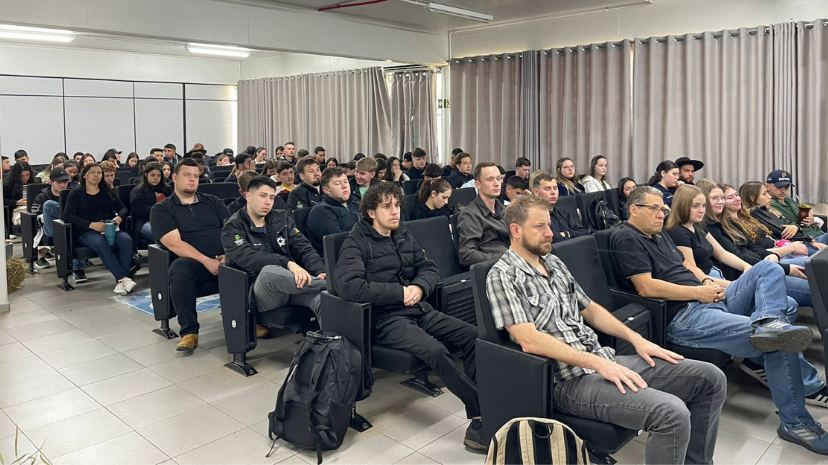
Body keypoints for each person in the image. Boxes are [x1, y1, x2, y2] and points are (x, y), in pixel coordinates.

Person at [488, 194, 727, 465]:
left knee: (711, 378)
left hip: (602, 359)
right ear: (516, 230)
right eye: (539, 227)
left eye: (549, 225)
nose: (549, 233)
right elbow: (529, 340)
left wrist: (637, 339)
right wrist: (599, 365)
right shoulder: (502, 275)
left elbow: (590, 309)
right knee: (672, 414)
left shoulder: (552, 262)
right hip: (568, 380)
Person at [610, 186, 828, 455]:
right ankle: (795, 423)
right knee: (781, 341)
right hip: (686, 315)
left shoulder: (658, 234)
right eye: (654, 209)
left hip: (707, 297)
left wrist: (705, 282)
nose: (661, 214)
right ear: (634, 210)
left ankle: (768, 322)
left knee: (767, 268)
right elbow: (646, 287)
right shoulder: (626, 237)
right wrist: (697, 292)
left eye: (663, 209)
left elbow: (684, 268)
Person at [335, 182, 485, 451]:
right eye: (387, 207)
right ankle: (482, 412)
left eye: (397, 205)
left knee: (473, 336)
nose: (395, 211)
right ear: (371, 212)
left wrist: (419, 287)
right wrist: (400, 293)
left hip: (419, 308)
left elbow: (429, 267)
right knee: (436, 351)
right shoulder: (355, 242)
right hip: (387, 318)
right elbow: (350, 287)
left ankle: (477, 405)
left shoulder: (402, 234)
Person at [222, 176, 326, 337]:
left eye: (272, 197)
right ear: (248, 196)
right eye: (262, 196)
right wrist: (287, 263)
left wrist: (319, 270)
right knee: (269, 272)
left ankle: (331, 346)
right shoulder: (232, 228)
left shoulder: (282, 218)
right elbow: (249, 258)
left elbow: (303, 247)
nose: (268, 202)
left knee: (324, 300)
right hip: (261, 293)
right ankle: (333, 284)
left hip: (294, 284)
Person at [150, 159, 231, 352]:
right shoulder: (162, 209)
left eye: (196, 176)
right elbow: (175, 244)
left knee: (251, 258)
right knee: (180, 269)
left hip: (225, 258)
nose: (193, 180)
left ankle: (252, 320)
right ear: (174, 177)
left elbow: (232, 229)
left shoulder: (212, 201)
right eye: (187, 175)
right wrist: (206, 261)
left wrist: (229, 254)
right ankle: (189, 332)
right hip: (195, 263)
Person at [697, 180, 814, 311]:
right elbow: (736, 256)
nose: (721, 202)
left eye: (722, 198)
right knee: (812, 292)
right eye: (715, 198)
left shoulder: (728, 222)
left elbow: (752, 247)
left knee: (813, 267)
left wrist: (772, 256)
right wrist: (784, 266)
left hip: (761, 263)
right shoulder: (708, 226)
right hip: (743, 276)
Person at [63, 163, 136, 295]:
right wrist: (90, 224)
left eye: (99, 173)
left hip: (109, 227)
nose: (96, 175)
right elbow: (67, 216)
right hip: (87, 230)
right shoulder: (76, 194)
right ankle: (123, 278)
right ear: (84, 175)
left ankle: (122, 281)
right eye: (93, 172)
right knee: (100, 243)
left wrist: (119, 218)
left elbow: (123, 208)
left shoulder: (107, 191)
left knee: (126, 240)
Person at [740, 181, 827, 254]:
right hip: (793, 245)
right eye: (764, 194)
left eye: (786, 187)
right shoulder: (756, 212)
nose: (769, 196)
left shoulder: (770, 209)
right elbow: (783, 230)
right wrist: (811, 241)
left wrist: (795, 226)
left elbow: (789, 222)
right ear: (753, 198)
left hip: (802, 239)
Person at [457, 162, 509, 267]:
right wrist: (503, 258)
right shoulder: (470, 215)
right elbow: (467, 255)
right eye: (490, 179)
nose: (496, 183)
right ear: (478, 184)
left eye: (498, 178)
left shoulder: (504, 209)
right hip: (494, 266)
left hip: (512, 261)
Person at [305, 167, 361, 255]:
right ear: (326, 190)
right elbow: (339, 241)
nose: (344, 186)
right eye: (337, 183)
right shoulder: (321, 211)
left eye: (346, 182)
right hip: (341, 257)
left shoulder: (355, 203)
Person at [765, 170, 828, 242]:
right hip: (806, 238)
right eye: (779, 187)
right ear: (767, 186)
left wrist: (811, 218)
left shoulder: (787, 199)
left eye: (786, 187)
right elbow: (783, 225)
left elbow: (800, 213)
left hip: (817, 232)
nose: (783, 191)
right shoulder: (769, 203)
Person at [30, 167, 71, 269]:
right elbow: (35, 216)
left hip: (69, 226)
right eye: (59, 182)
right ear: (51, 182)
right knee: (49, 205)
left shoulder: (71, 195)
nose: (63, 185)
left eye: (65, 182)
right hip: (50, 229)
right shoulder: (42, 197)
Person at [532, 172, 590, 242]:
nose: (553, 192)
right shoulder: (535, 216)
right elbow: (556, 239)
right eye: (547, 189)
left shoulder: (563, 212)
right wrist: (572, 235)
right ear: (536, 192)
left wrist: (566, 233)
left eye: (555, 188)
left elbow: (584, 231)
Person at [130, 163, 172, 246]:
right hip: (145, 221)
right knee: (164, 238)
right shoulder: (137, 191)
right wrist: (161, 210)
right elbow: (140, 211)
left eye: (158, 175)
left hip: (168, 220)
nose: (156, 178)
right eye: (152, 175)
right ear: (146, 175)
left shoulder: (167, 189)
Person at [3, 161, 35, 229]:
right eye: (22, 176)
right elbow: (3, 201)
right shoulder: (8, 185)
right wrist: (17, 202)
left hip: (33, 209)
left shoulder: (35, 183)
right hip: (17, 210)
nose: (25, 178)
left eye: (28, 175)